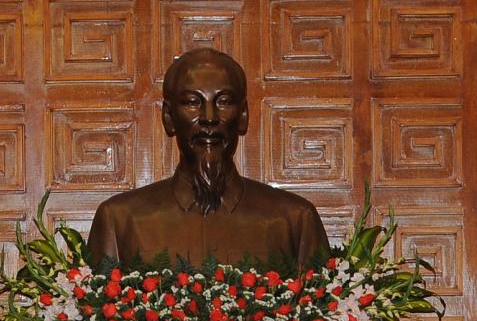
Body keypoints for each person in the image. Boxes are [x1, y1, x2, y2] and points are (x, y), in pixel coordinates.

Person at [86, 47, 330, 269]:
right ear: (169, 117)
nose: (209, 118)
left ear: (242, 115)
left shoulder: (294, 219)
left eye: (223, 101)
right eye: (192, 102)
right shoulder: (119, 219)